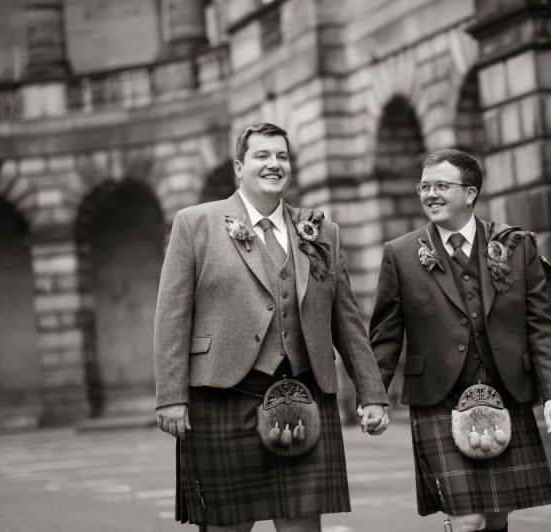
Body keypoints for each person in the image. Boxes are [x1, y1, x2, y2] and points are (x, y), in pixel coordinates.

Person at [154, 122, 389, 532]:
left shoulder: (320, 231)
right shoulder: (196, 224)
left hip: (304, 397)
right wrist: (171, 396)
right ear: (239, 167)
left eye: (282, 156)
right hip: (222, 394)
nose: (274, 164)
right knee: (228, 526)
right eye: (262, 156)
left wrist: (372, 393)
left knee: (302, 525)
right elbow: (172, 315)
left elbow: (346, 319)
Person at [369, 149, 551, 532]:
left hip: (506, 390)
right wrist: (373, 396)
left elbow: (542, 326)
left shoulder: (515, 246)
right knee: (467, 519)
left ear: (470, 193)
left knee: (496, 517)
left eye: (441, 185)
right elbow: (385, 335)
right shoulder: (400, 254)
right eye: (424, 186)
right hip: (438, 397)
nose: (430, 194)